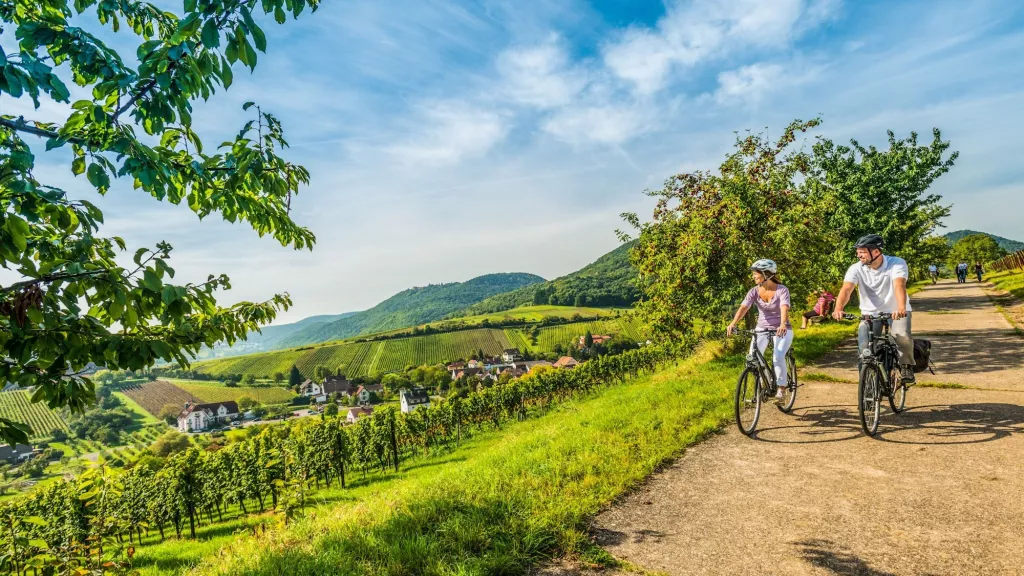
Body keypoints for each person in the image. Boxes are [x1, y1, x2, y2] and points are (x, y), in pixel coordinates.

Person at [832, 234, 916, 384]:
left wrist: (901, 307)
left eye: (862, 252)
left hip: (897, 311)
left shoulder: (896, 263)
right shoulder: (856, 268)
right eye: (858, 252)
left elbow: (899, 285)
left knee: (901, 335)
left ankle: (906, 365)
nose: (859, 255)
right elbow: (846, 289)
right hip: (870, 313)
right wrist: (838, 308)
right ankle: (868, 386)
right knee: (864, 349)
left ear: (876, 252)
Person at [727, 259, 793, 401]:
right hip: (762, 328)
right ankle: (766, 380)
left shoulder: (782, 290)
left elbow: (784, 307)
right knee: (753, 357)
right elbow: (744, 307)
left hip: (782, 329)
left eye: (755, 273)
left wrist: (782, 324)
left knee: (778, 355)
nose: (753, 276)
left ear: (766, 274)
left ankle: (781, 389)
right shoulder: (754, 291)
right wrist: (733, 323)